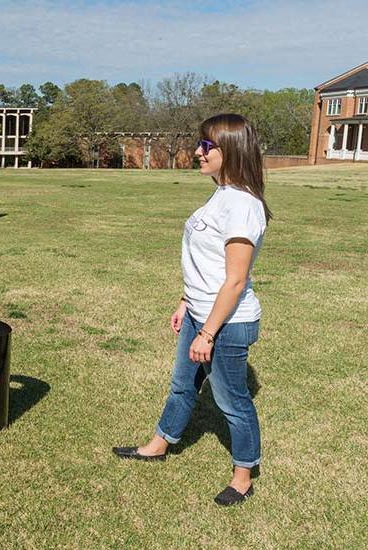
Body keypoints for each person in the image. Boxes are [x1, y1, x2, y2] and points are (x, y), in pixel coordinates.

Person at [113, 113, 272, 507]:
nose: (197, 152)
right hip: (201, 313)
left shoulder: (243, 204)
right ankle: (158, 444)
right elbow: (207, 263)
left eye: (206, 146)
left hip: (226, 323)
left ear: (230, 150)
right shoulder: (222, 193)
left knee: (232, 401)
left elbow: (235, 280)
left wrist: (208, 333)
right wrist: (186, 301)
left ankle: (243, 475)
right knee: (183, 385)